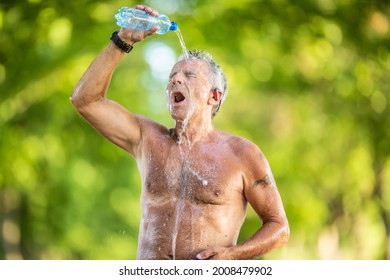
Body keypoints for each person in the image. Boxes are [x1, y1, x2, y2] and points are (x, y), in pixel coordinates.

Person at [70, 4, 289, 260]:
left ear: (214, 96)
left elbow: (278, 226)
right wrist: (122, 40)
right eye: (172, 76)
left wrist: (233, 255)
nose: (175, 80)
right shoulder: (147, 138)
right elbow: (85, 100)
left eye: (189, 75)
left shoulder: (242, 153)